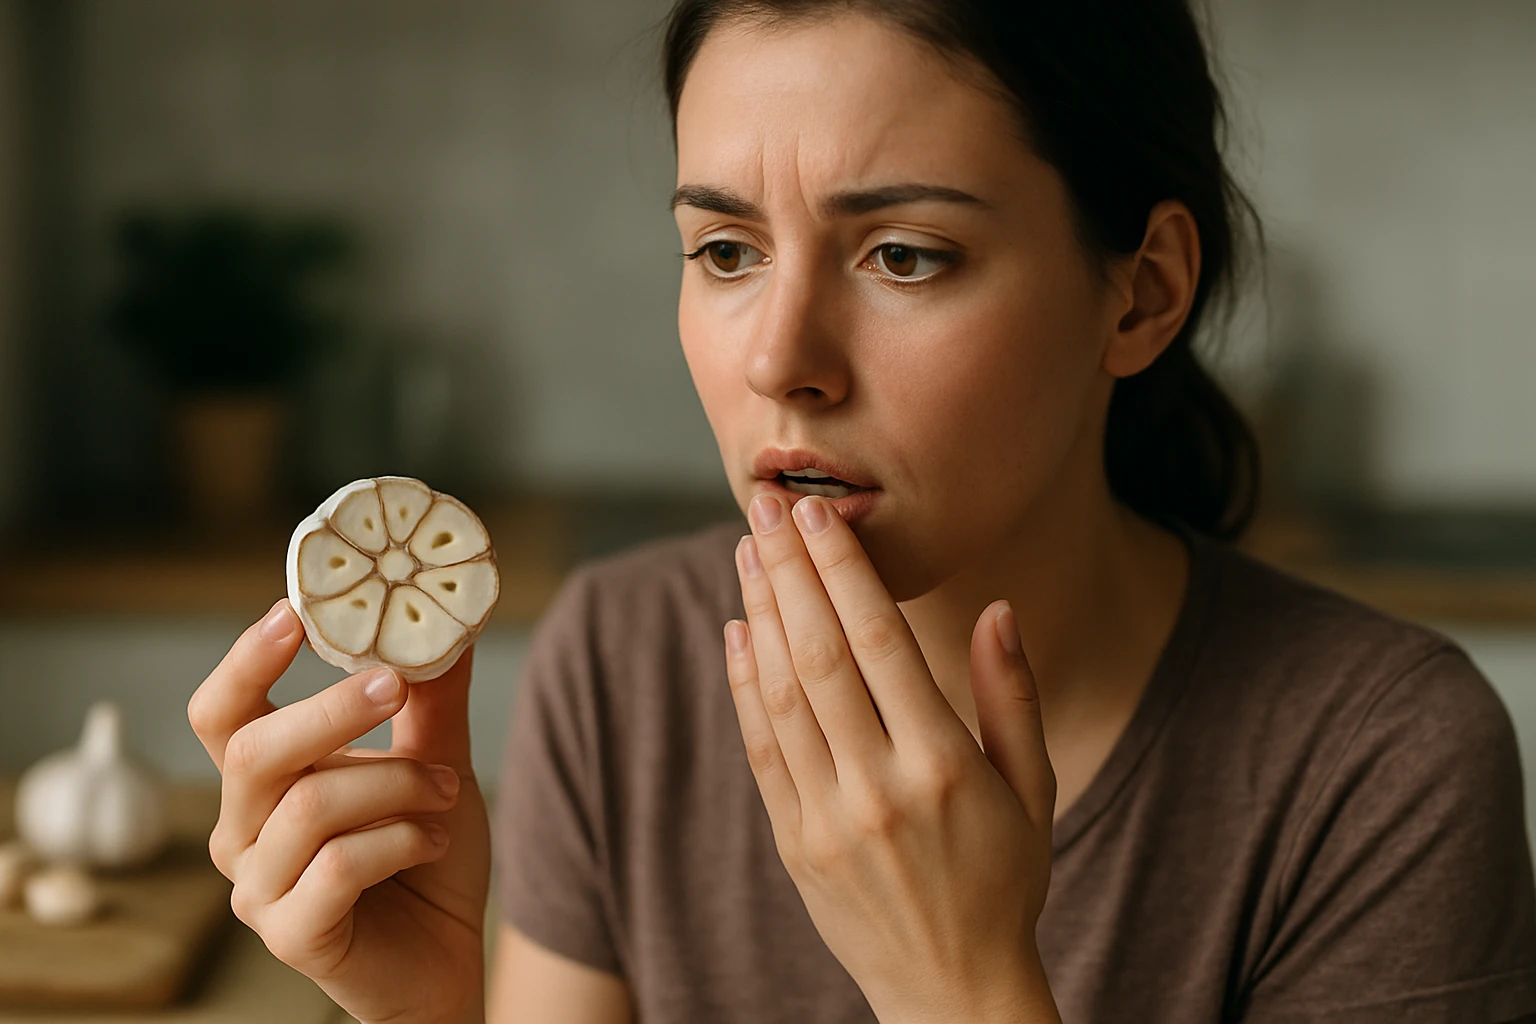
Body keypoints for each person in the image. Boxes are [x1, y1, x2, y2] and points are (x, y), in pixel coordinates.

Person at [187, 1, 1536, 1021]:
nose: (781, 360)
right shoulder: (625, 662)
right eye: (725, 251)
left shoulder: (1383, 767)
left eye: (905, 255)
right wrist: (427, 1013)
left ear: (1141, 294)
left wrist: (965, 983)